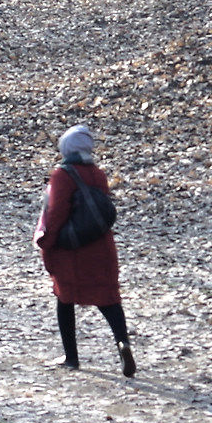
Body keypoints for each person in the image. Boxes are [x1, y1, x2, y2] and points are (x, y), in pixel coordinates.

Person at [35, 123, 134, 377]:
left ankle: (71, 357)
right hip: (101, 244)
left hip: (73, 249)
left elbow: (56, 214)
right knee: (109, 299)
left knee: (64, 297)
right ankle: (123, 343)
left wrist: (47, 244)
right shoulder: (97, 174)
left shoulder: (62, 175)